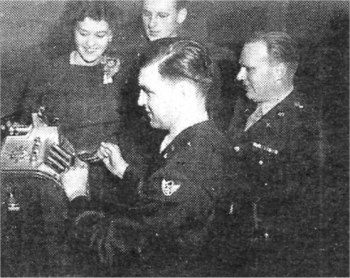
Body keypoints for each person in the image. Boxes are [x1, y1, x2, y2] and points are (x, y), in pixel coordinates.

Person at [61, 39, 230, 276]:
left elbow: (113, 249)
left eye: (148, 92)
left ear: (183, 92)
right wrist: (125, 172)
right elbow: (164, 211)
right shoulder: (209, 140)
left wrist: (77, 195)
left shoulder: (185, 170)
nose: (140, 102)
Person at [223, 31, 324, 276]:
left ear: (278, 72)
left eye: (249, 69)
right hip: (232, 243)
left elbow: (296, 208)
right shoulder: (242, 106)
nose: (239, 76)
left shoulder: (303, 126)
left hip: (268, 255)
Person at [21, 1, 124, 154]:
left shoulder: (119, 71)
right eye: (83, 33)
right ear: (73, 31)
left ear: (110, 36)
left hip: (109, 165)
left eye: (100, 35)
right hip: (60, 162)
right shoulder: (49, 71)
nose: (90, 43)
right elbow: (29, 113)